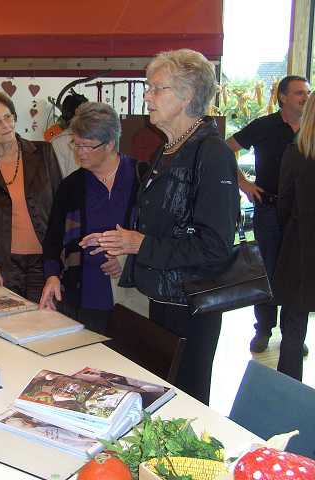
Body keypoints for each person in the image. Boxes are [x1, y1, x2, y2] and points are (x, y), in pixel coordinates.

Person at [95, 49, 240, 405]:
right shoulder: (169, 149)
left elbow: (215, 246)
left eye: (157, 88)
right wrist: (127, 249)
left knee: (184, 404)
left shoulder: (212, 154)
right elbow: (164, 228)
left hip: (192, 308)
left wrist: (139, 244)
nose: (147, 96)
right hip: (161, 298)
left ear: (187, 95)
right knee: (159, 400)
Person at [226, 75, 311, 355]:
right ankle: (263, 329)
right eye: (299, 93)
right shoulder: (265, 126)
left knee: (297, 272)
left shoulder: (311, 129)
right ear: (282, 97)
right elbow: (225, 149)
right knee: (267, 270)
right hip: (270, 209)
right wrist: (243, 183)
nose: (306, 97)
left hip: (302, 215)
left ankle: (292, 335)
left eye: (307, 92)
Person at [39, 102, 138, 334]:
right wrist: (52, 276)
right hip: (81, 297)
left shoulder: (141, 178)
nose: (79, 152)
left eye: (87, 146)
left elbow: (158, 237)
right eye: (76, 144)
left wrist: (127, 261)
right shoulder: (71, 186)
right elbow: (53, 238)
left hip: (132, 300)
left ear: (110, 144)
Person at [0, 92, 62, 303]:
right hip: (2, 268)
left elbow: (61, 208)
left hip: (44, 264)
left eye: (8, 117)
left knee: (44, 321)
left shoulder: (43, 153)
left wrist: (58, 260)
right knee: (5, 322)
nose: (5, 125)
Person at [272, 93, 315, 381]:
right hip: (301, 245)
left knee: (294, 327)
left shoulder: (295, 153)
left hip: (300, 247)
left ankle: (286, 391)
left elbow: (284, 205)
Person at [50, 92, 89, 176]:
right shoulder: (58, 142)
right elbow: (57, 177)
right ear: (76, 113)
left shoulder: (94, 137)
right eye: (87, 112)